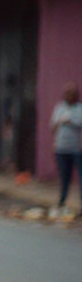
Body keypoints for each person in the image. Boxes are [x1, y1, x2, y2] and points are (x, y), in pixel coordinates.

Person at [50, 82, 82, 214]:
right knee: (64, 177)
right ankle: (62, 202)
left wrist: (69, 121)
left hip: (77, 149)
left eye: (72, 93)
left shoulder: (79, 108)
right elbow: (53, 126)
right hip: (61, 148)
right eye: (67, 93)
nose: (69, 95)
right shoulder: (59, 108)